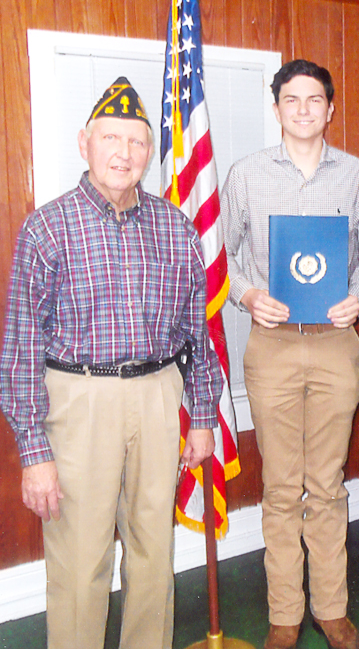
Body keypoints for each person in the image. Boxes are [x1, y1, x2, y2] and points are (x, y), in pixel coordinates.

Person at [0, 77, 223, 649]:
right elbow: (21, 349)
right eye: (111, 138)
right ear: (85, 142)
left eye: (137, 142)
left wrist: (201, 415)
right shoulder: (47, 228)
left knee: (155, 549)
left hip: (157, 396)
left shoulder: (175, 227)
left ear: (151, 151)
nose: (124, 153)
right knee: (80, 558)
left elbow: (193, 333)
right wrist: (34, 453)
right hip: (80, 403)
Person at [221, 59, 359, 649]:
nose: (304, 109)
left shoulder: (356, 175)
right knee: (282, 488)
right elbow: (224, 255)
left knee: (329, 484)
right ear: (277, 107)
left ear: (330, 108)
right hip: (273, 349)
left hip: (337, 346)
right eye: (292, 99)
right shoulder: (245, 174)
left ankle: (332, 609)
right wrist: (249, 295)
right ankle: (285, 615)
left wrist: (357, 297)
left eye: (314, 99)